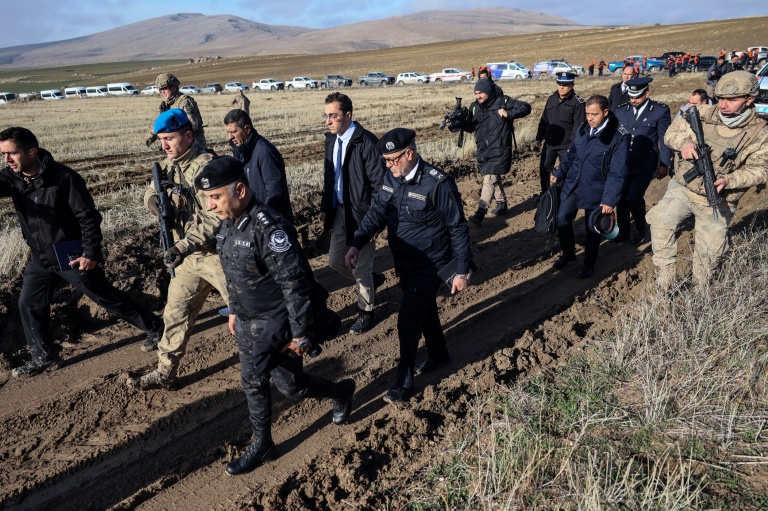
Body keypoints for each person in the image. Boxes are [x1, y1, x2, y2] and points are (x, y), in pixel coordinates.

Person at [194, 156, 354, 476]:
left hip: (274, 321)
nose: (210, 206)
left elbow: (294, 284)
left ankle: (263, 442)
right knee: (292, 387)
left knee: (253, 379)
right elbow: (234, 274)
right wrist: (235, 311)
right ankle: (341, 391)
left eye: (215, 197)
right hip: (248, 319)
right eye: (208, 199)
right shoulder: (228, 224)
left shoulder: (269, 227)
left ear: (239, 189)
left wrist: (301, 334)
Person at [0, 127, 163, 377]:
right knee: (28, 303)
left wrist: (90, 253)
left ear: (31, 151)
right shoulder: (13, 178)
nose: (7, 160)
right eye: (3, 155)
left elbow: (88, 217)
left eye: (11, 154)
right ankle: (44, 356)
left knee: (104, 296)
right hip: (40, 257)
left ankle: (155, 327)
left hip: (70, 254)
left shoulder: (64, 178)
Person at [344, 128, 472, 403]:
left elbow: (457, 227)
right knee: (424, 312)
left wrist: (461, 270)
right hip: (403, 262)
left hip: (431, 265)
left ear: (409, 153)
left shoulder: (438, 184)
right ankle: (438, 354)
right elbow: (377, 211)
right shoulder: (392, 177)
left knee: (407, 322)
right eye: (386, 161)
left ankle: (403, 383)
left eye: (392, 160)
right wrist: (356, 242)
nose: (388, 166)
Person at [127, 109, 229, 390]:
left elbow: (217, 217)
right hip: (186, 258)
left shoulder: (207, 166)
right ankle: (165, 371)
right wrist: (155, 204)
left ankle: (278, 357)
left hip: (217, 255)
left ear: (187, 135)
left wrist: (183, 245)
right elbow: (151, 190)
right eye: (161, 140)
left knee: (248, 312)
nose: (164, 145)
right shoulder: (168, 166)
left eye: (169, 138)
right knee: (175, 315)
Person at [648, 71, 768, 288]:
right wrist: (684, 143)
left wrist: (729, 181)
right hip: (683, 189)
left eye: (732, 100)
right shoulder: (702, 113)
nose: (723, 105)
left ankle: (700, 294)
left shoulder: (759, 132)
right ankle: (665, 283)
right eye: (721, 98)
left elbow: (760, 170)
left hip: (719, 200)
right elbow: (670, 133)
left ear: (749, 100)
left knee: (709, 254)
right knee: (660, 221)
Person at [320, 92, 386, 335]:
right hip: (339, 211)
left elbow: (381, 187)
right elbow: (330, 177)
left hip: (363, 215)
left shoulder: (366, 143)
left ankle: (366, 312)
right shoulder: (331, 140)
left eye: (333, 116)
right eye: (326, 116)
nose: (328, 121)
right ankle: (371, 277)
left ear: (348, 115)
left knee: (360, 265)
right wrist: (325, 207)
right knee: (336, 261)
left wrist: (375, 224)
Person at [550, 96, 628, 278]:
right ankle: (568, 254)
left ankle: (589, 263)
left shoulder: (617, 137)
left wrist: (609, 199)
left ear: (605, 112)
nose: (590, 118)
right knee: (562, 218)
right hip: (574, 183)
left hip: (597, 188)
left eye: (594, 114)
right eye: (587, 114)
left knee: (592, 228)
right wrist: (559, 172)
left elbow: (618, 172)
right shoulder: (583, 129)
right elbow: (571, 156)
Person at [457, 78, 531, 224]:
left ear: (489, 92)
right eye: (476, 93)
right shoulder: (475, 107)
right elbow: (472, 126)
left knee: (489, 178)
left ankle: (480, 212)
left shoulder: (503, 101)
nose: (478, 96)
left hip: (500, 148)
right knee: (492, 177)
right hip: (484, 149)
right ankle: (502, 204)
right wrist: (460, 123)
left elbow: (526, 107)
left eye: (481, 93)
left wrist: (509, 114)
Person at [613, 77, 672, 245]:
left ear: (647, 93)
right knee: (621, 198)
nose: (633, 100)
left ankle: (640, 227)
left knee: (633, 196)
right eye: (631, 97)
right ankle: (623, 231)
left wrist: (664, 163)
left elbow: (665, 139)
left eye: (637, 97)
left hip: (645, 163)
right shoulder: (621, 111)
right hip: (624, 163)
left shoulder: (660, 111)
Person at [224, 109, 293, 224]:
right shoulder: (240, 151)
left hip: (270, 222)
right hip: (251, 219)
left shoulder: (265, 152)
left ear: (247, 129)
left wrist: (263, 220)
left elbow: (275, 192)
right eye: (228, 132)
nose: (230, 137)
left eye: (234, 131)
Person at [534, 72, 586, 198]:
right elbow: (544, 120)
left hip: (566, 145)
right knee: (544, 168)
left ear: (572, 85)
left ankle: (562, 195)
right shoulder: (551, 99)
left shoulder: (577, 103)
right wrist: (539, 138)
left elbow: (578, 127)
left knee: (566, 172)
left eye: (565, 85)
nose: (561, 87)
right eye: (560, 84)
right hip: (550, 143)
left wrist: (573, 147)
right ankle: (545, 194)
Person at [145, 73, 207, 148]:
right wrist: (151, 136)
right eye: (160, 90)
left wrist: (169, 133)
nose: (162, 92)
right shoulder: (168, 105)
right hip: (178, 146)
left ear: (174, 87)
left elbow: (193, 126)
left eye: (165, 88)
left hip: (194, 145)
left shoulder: (185, 102)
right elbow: (161, 123)